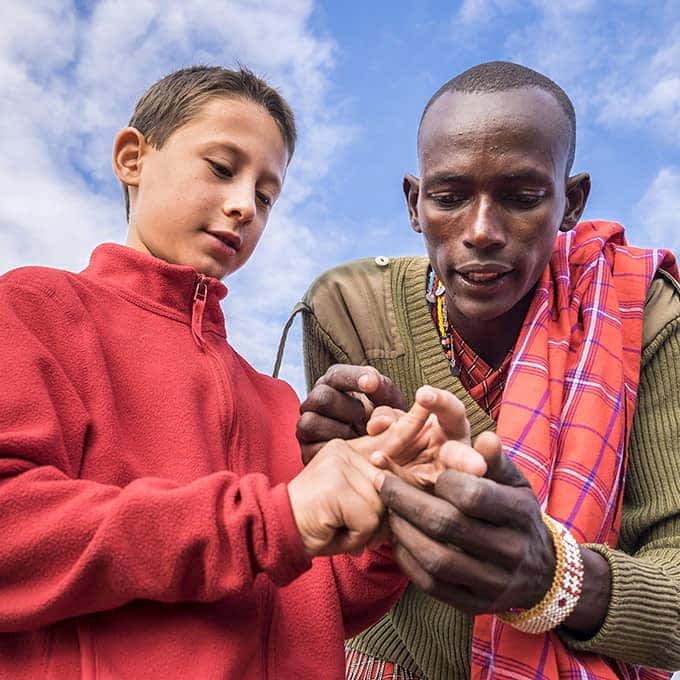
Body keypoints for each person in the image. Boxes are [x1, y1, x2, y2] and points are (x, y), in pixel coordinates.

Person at [0, 65, 472, 679]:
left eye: (266, 194)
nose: (243, 205)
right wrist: (270, 521)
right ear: (131, 157)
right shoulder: (36, 309)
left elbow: (315, 604)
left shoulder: (277, 400)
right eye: (222, 168)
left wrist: (387, 512)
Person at [294, 61, 680, 678]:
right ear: (414, 204)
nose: (481, 232)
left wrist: (555, 576)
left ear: (571, 201)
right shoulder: (350, 310)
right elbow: (327, 562)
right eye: (449, 198)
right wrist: (351, 474)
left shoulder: (645, 315)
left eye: (523, 199)